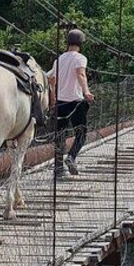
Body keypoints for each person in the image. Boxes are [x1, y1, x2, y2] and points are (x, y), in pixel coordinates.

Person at [48, 29, 94, 178]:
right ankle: (72, 157)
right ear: (81, 43)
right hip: (76, 102)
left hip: (61, 102)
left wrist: (53, 98)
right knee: (81, 133)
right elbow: (81, 74)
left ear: (68, 43)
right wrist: (86, 92)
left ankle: (58, 169)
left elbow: (52, 80)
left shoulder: (59, 59)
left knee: (59, 135)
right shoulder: (80, 58)